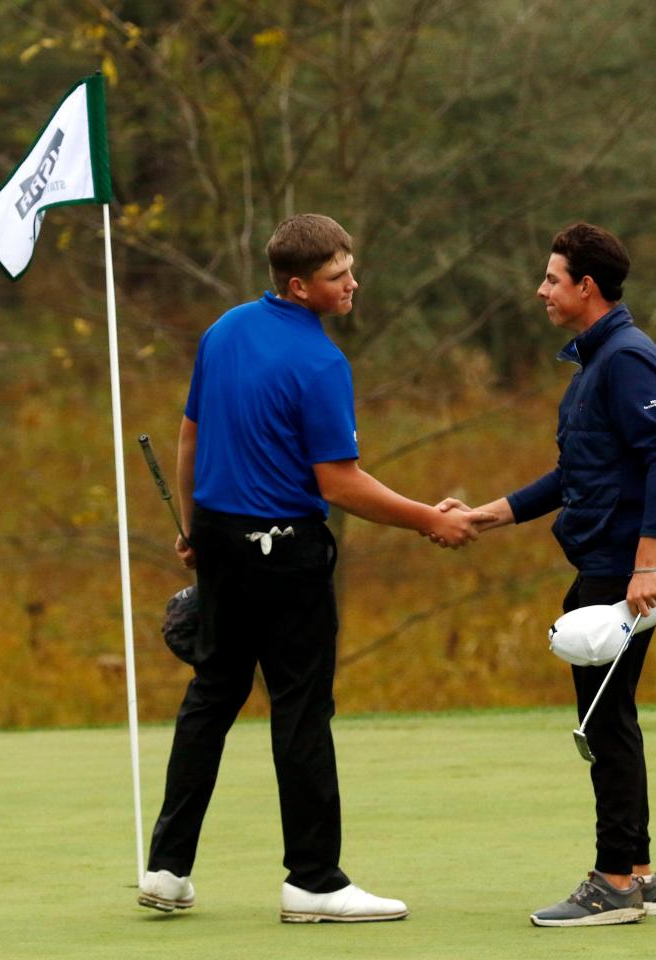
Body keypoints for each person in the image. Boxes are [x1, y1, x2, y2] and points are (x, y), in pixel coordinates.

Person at [139, 213, 493, 923]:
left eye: (350, 269)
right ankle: (314, 882)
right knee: (300, 711)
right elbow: (339, 485)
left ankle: (167, 869)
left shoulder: (224, 330)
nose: (352, 283)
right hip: (286, 557)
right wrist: (431, 518)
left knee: (212, 698)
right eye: (338, 276)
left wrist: (194, 530)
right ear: (300, 285)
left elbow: (190, 438)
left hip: (222, 541)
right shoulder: (322, 363)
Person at [444, 222, 656, 926]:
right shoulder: (594, 366)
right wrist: (485, 516)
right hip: (607, 562)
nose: (542, 290)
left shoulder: (627, 360)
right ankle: (636, 872)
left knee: (603, 721)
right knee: (609, 718)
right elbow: (573, 473)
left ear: (587, 286)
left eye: (552, 278)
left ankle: (613, 880)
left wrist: (647, 566)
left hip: (622, 568)